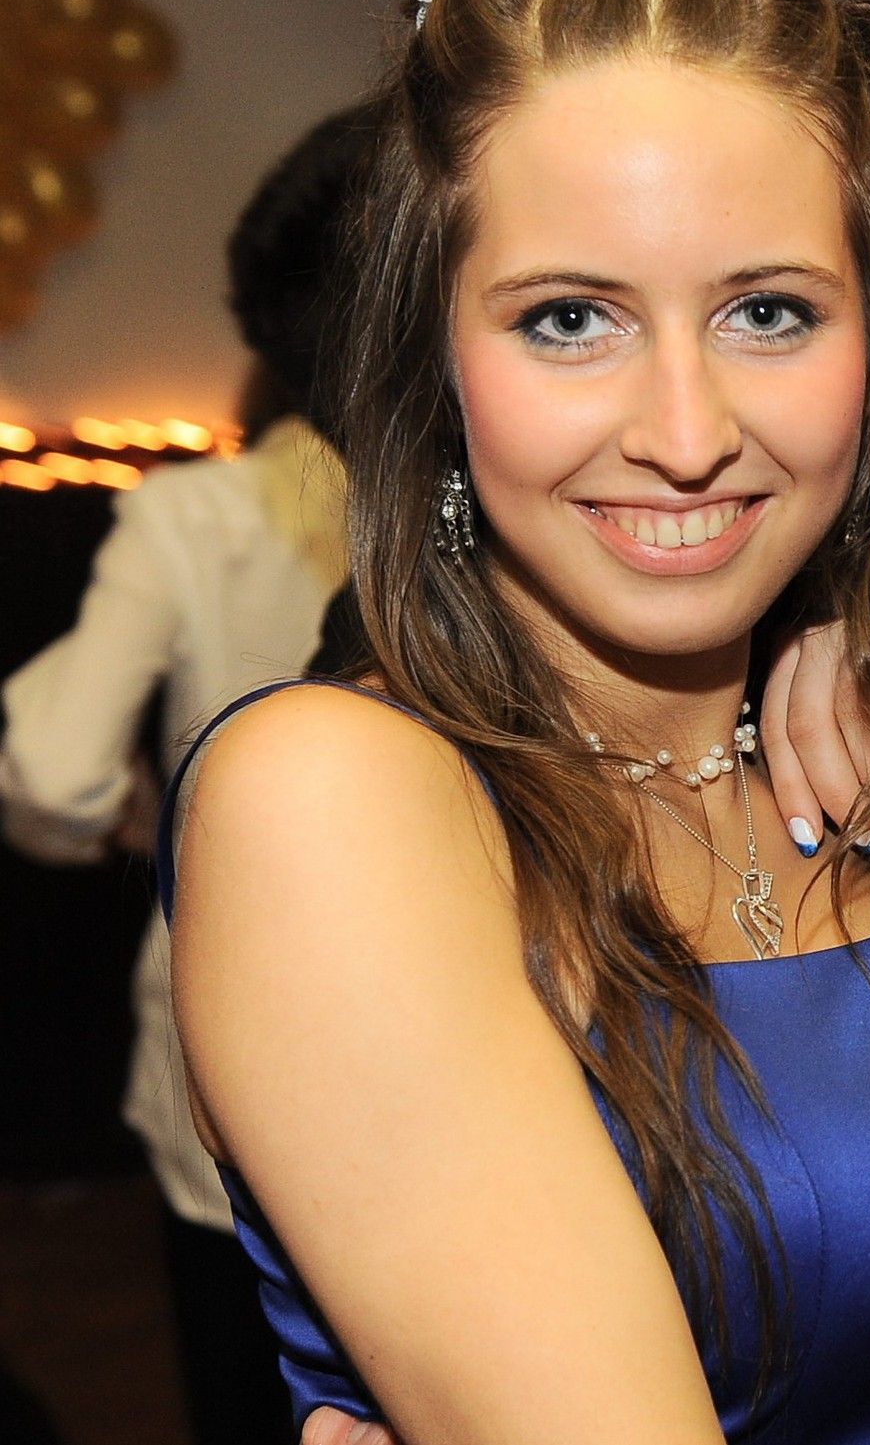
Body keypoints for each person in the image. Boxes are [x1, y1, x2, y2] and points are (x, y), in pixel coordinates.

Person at [164, 0, 870, 1444]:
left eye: (769, 311)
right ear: (436, 349)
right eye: (568, 320)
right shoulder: (337, 802)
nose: (684, 430)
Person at [0, 103, 375, 1445]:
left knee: (244, 1388)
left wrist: (129, 820)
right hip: (443, 1047)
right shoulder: (501, 497)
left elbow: (50, 768)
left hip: (229, 1034)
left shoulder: (192, 511)